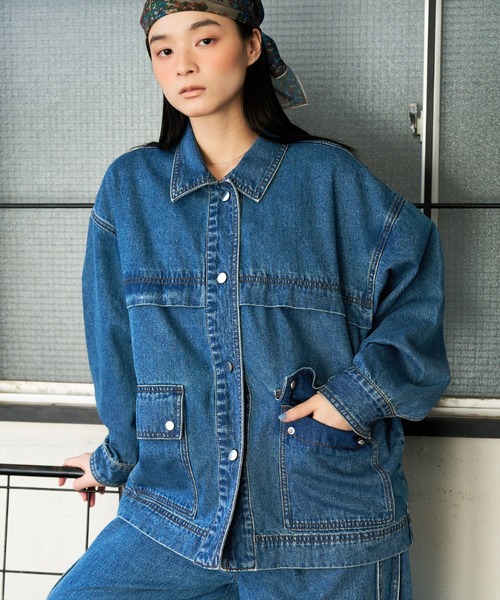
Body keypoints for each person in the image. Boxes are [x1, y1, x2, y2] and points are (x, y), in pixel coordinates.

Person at [48, 1, 450, 598]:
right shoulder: (130, 189)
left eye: (205, 40)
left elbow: (416, 284)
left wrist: (353, 399)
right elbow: (115, 346)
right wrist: (113, 459)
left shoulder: (328, 177)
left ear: (253, 46)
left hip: (326, 521)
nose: (183, 64)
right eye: (163, 49)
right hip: (175, 514)